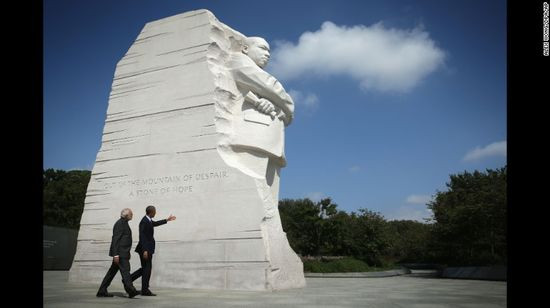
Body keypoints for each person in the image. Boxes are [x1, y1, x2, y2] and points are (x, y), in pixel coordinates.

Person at [130, 205, 176, 296]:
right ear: (151, 212)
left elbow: (154, 224)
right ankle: (142, 288)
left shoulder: (148, 220)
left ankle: (138, 285)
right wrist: (145, 250)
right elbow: (142, 236)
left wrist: (166, 220)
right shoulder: (144, 221)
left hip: (147, 249)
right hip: (145, 249)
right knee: (147, 269)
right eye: (155, 212)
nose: (155, 213)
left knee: (146, 269)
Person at [96, 208, 139, 298]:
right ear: (127, 215)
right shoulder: (120, 224)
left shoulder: (124, 223)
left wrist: (127, 252)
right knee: (126, 271)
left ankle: (102, 290)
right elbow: (115, 239)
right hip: (120, 253)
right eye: (131, 214)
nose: (132, 215)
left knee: (111, 273)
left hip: (123, 253)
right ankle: (131, 290)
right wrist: (115, 254)